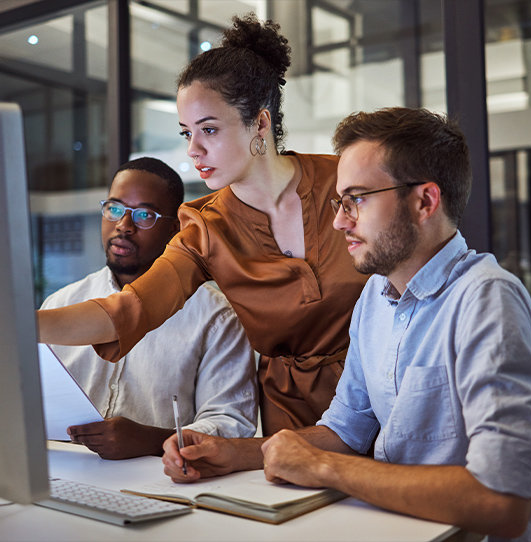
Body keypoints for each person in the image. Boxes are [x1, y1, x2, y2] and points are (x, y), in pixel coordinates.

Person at [163, 108, 531, 541]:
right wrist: (235, 454)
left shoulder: (486, 299)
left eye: (358, 199)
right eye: (339, 201)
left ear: (425, 201)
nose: (339, 221)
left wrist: (324, 467)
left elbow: (502, 502)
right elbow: (346, 429)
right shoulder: (375, 295)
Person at [37, 14, 367, 436]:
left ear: (260, 123)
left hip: (382, 391)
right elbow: (128, 309)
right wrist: (23, 323)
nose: (193, 150)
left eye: (208, 129)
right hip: (291, 418)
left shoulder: (346, 183)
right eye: (186, 133)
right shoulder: (204, 227)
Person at [41, 157, 257, 459]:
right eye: (114, 209)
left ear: (175, 228)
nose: (123, 226)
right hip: (62, 470)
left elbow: (232, 424)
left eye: (144, 215)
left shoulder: (216, 317)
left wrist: (151, 440)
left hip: (162, 480)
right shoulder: (62, 303)